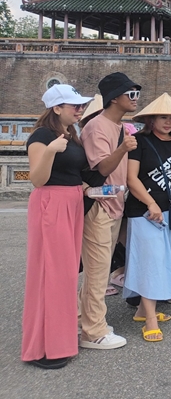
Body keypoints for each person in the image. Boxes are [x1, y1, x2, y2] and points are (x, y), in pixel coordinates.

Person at [22, 84, 93, 369]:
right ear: (57, 108)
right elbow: (37, 179)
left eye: (80, 105)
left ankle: (59, 340)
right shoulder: (43, 136)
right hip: (51, 202)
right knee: (49, 273)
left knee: (64, 274)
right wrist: (51, 150)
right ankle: (41, 347)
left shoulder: (71, 135)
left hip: (72, 202)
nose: (79, 109)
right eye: (74, 105)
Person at [78, 72, 142, 351]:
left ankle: (85, 320)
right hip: (99, 205)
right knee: (97, 270)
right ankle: (94, 332)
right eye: (131, 94)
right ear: (114, 97)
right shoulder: (97, 127)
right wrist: (124, 147)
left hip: (115, 204)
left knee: (100, 270)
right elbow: (100, 169)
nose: (135, 99)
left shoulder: (120, 127)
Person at [124, 94, 171, 342]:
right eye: (163, 117)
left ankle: (143, 311)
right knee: (151, 260)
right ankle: (151, 320)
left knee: (169, 260)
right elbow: (131, 178)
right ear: (151, 119)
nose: (168, 122)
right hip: (144, 210)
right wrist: (151, 203)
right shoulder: (139, 141)